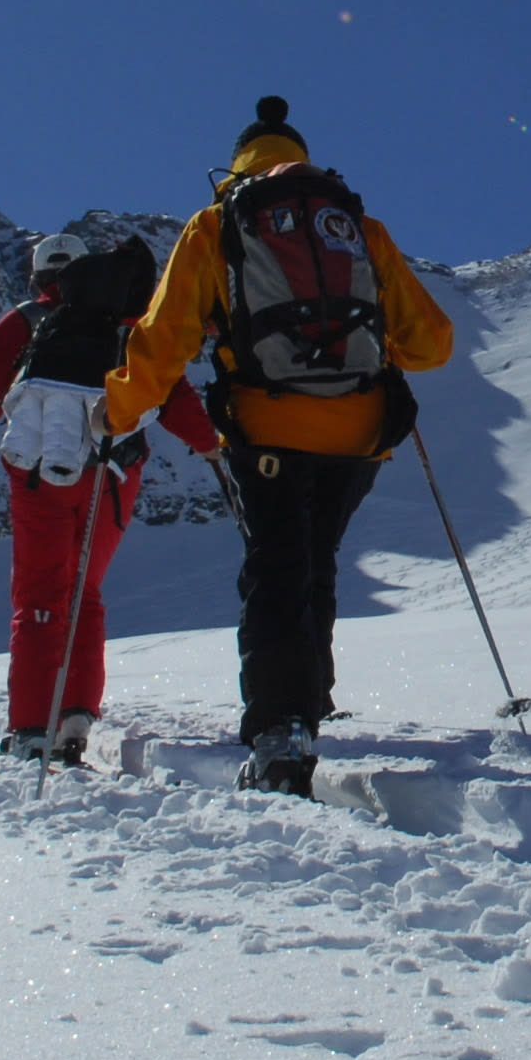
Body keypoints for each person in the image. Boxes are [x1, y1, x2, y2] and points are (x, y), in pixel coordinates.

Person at [106, 96, 455, 795]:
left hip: (266, 428)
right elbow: (432, 344)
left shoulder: (218, 223)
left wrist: (117, 410)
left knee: (276, 566)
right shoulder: (355, 226)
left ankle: (280, 733)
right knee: (314, 558)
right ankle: (307, 702)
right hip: (358, 435)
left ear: (235, 166)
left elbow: (165, 338)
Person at [0, 231, 217, 764]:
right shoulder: (127, 323)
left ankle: (31, 728)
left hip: (41, 474)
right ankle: (75, 719)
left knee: (42, 594)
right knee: (83, 591)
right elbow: (169, 389)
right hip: (114, 473)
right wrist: (208, 444)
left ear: (40, 278)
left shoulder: (25, 321)